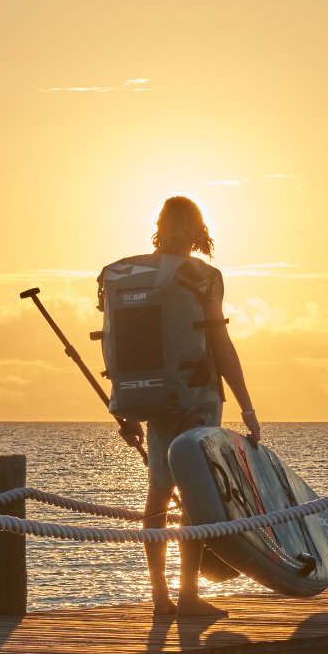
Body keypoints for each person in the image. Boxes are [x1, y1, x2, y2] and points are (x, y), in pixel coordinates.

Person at [116, 196, 261, 617]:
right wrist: (247, 408)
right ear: (199, 229)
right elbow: (220, 344)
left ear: (159, 226)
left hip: (154, 398)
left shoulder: (135, 276)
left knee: (158, 494)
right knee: (196, 496)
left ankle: (159, 596)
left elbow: (123, 350)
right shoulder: (205, 277)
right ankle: (189, 596)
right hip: (198, 398)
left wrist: (126, 410)